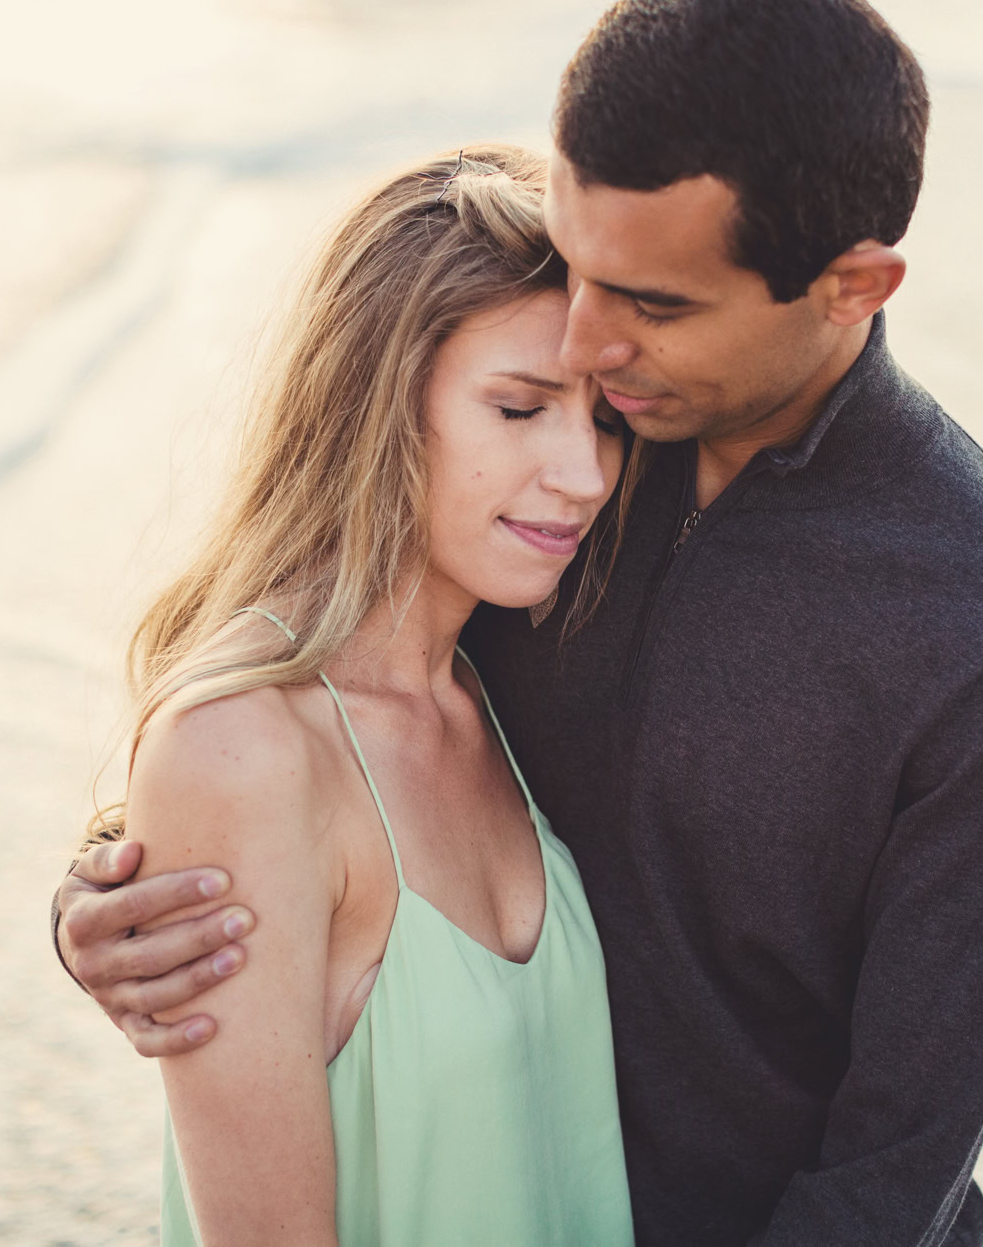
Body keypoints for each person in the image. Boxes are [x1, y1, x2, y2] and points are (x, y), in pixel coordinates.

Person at [57, 0, 983, 1247]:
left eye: (648, 305)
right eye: (580, 269)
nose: (590, 343)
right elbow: (300, 716)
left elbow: (891, 1171)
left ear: (851, 289)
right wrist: (119, 901)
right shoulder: (562, 456)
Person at [93, 144, 637, 1245]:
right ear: (380, 403)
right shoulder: (241, 748)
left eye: (608, 419)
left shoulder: (503, 690)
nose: (582, 471)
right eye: (520, 408)